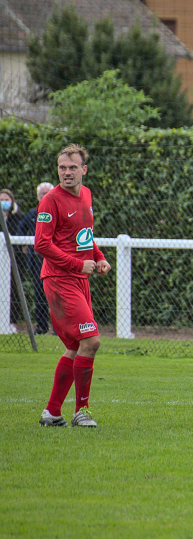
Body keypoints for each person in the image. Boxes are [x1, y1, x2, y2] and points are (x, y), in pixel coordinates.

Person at [36, 145, 111, 427]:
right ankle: (82, 411)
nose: (66, 173)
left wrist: (99, 258)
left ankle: (52, 413)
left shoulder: (87, 195)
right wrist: (77, 265)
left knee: (76, 346)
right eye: (62, 168)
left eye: (72, 168)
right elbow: (41, 244)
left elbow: (84, 236)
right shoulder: (51, 201)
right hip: (59, 280)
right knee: (91, 341)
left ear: (84, 170)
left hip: (79, 280)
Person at [16, 182, 55, 335]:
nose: (44, 197)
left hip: (55, 261)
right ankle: (42, 327)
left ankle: (58, 329)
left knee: (56, 296)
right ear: (38, 197)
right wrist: (23, 244)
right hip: (37, 262)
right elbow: (21, 227)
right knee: (39, 294)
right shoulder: (33, 213)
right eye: (41, 194)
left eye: (47, 193)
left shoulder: (58, 212)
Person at [1, 188, 25, 332]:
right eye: (1, 200)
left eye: (6, 200)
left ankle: (12, 321)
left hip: (15, 259)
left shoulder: (19, 217)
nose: (4, 202)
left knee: (14, 289)